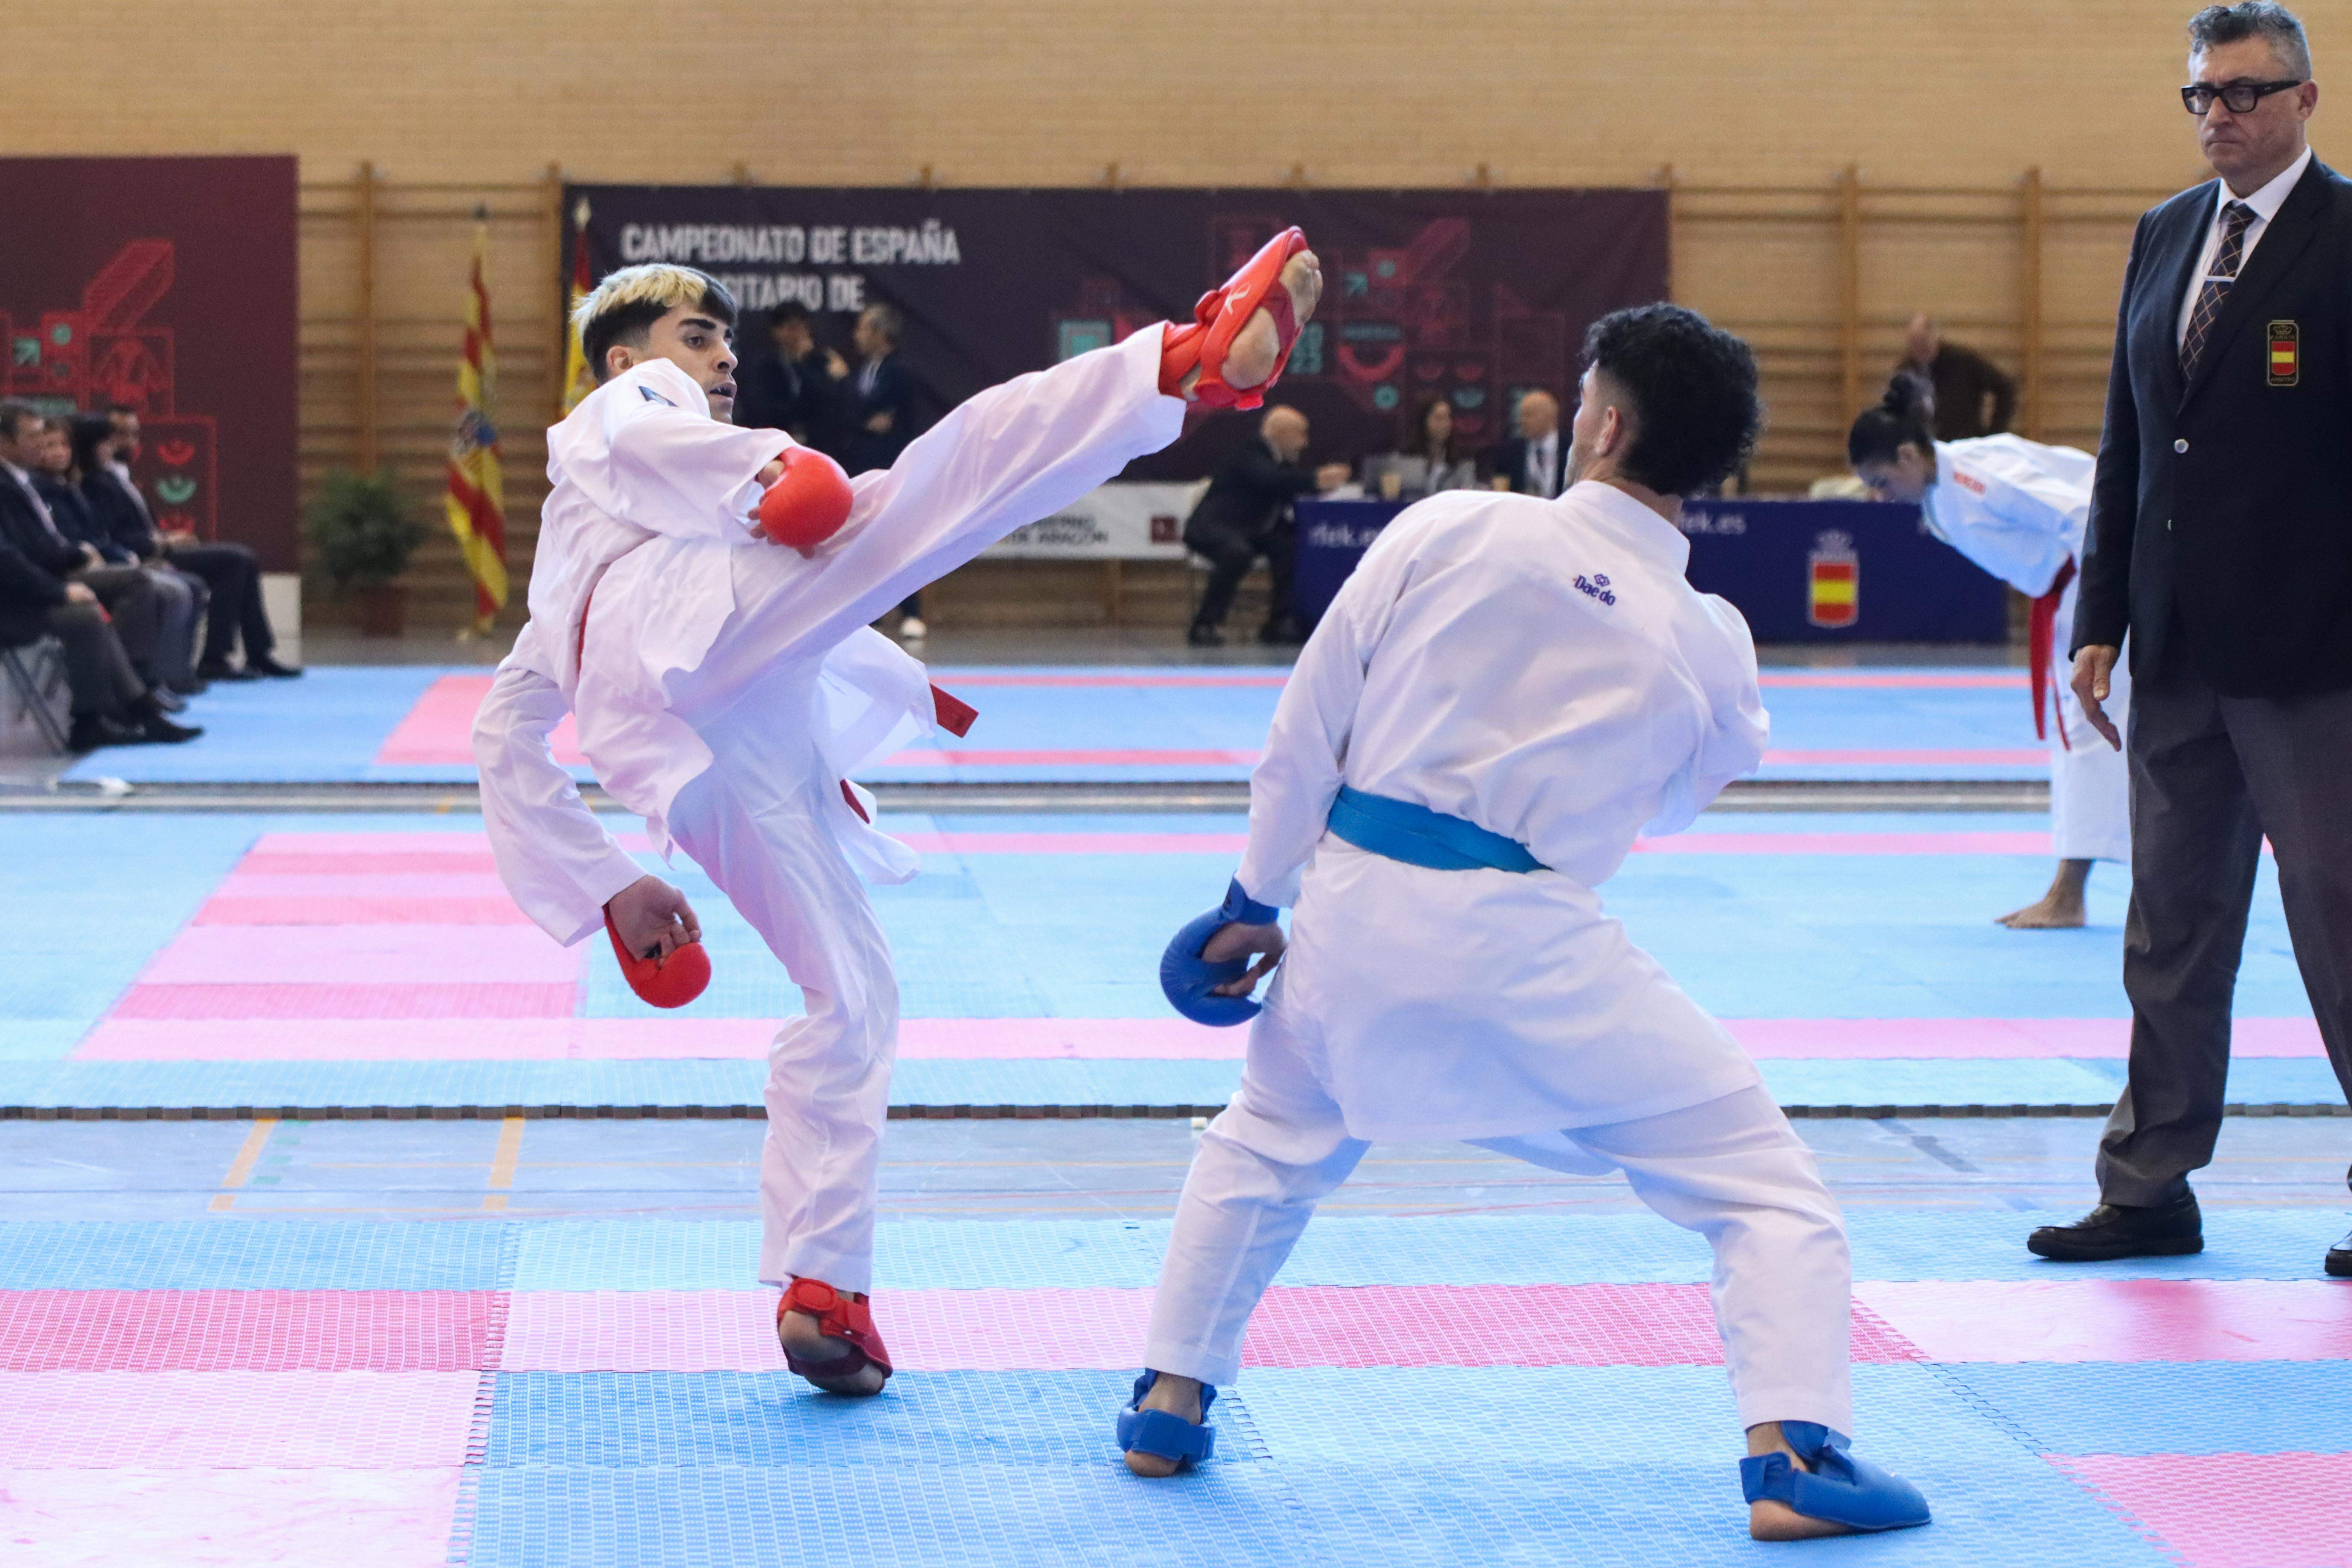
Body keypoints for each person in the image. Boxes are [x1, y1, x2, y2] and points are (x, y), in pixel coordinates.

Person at [1119, 305, 1929, 1542]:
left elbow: (1303, 736)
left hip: (1345, 912)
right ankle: (1793, 1453)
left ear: (1600, 427)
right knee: (1762, 1184)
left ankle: (1168, 1403)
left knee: (1266, 1139)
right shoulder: (1708, 641)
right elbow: (1673, 804)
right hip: (1531, 938)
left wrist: (1250, 903)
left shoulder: (1448, 526)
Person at [475, 237, 1323, 1395]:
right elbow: (639, 428)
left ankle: (823, 1287)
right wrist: (766, 469)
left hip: (711, 763)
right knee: (925, 494)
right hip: (690, 645)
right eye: (696, 337)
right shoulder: (625, 409)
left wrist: (612, 887)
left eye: (724, 344)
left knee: (853, 993)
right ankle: (1182, 362)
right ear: (625, 358)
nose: (720, 360)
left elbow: (503, 734)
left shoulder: (569, 574)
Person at [2037, 1, 2352, 1280]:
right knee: (2169, 924)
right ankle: (2148, 1182)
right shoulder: (2167, 232)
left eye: (2242, 91)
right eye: (2200, 94)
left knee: (2338, 917)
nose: (2217, 114)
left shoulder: (2345, 235)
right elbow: (2128, 440)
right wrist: (2101, 616)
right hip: (2172, 647)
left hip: (2316, 654)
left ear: (2303, 99)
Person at [1848, 377, 2126, 928]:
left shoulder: (1975, 476)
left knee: (2087, 731)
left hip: (2100, 578)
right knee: (2093, 730)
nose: (1880, 496)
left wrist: (2102, 607)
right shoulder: (1940, 494)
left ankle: (2069, 895)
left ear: (1908, 455)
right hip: (2077, 585)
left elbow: (2084, 511)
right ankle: (2104, 887)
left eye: (1881, 481)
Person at [0, 406, 196, 750]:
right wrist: (61, 590)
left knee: (133, 584)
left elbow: (43, 546)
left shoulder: (21, 481)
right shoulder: (8, 486)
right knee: (87, 614)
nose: (41, 446)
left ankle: (129, 702)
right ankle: (105, 715)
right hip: (17, 600)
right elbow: (10, 560)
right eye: (33, 437)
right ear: (4, 442)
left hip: (42, 581)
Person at [96, 405, 296, 680]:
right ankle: (215, 658)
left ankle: (258, 653)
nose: (130, 441)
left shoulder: (121, 475)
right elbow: (112, 535)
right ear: (102, 438)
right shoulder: (97, 480)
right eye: (121, 434)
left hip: (156, 548)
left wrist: (165, 536)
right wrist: (162, 542)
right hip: (141, 555)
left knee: (244, 559)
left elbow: (136, 527)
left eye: (135, 433)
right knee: (234, 561)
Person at [40, 417, 205, 701]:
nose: (60, 452)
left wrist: (124, 556)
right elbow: (64, 542)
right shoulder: (43, 489)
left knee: (177, 585)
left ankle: (163, 677)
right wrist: (103, 556)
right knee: (154, 586)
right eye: (50, 445)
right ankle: (133, 684)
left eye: (64, 445)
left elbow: (100, 537)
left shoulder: (69, 487)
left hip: (102, 560)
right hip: (67, 571)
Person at [1181, 406, 1350, 647]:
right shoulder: (1250, 453)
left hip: (1251, 532)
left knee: (1289, 545)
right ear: (1280, 433)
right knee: (1237, 553)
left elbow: (1288, 486)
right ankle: (1205, 624)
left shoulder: (1282, 463)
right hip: (1213, 529)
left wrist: (1320, 486)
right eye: (1300, 435)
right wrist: (1316, 479)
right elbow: (1271, 480)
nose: (1305, 443)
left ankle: (1279, 622)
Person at [833, 303, 928, 640]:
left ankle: (911, 612)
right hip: (860, 464)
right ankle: (867, 613)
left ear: (879, 333)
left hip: (890, 466)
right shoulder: (860, 373)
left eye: (863, 329)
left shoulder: (900, 372)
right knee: (862, 540)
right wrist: (862, 417)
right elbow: (852, 412)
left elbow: (889, 413)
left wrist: (857, 403)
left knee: (897, 539)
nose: (857, 335)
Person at [1892, 314, 2018, 440]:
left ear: (1935, 337)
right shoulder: (1904, 372)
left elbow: (2005, 388)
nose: (1920, 349)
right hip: (1924, 447)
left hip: (1964, 444)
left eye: (1924, 342)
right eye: (1915, 344)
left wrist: (1993, 435)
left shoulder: (1963, 362)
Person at [734, 302, 840, 449]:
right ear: (777, 331)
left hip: (817, 442)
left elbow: (827, 402)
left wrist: (801, 364)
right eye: (793, 328)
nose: (799, 335)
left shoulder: (820, 362)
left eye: (804, 328)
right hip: (776, 439)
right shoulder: (765, 366)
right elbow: (761, 407)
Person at [1361, 395, 1477, 499]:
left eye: (1448, 418)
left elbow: (1467, 493)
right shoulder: (1404, 458)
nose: (1445, 424)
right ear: (1425, 421)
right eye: (1439, 418)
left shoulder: (1462, 461)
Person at [1488, 387, 1565, 497]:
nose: (1523, 421)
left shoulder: (1572, 449)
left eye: (1529, 415)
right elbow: (1500, 492)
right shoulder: (1509, 452)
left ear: (1550, 416)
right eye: (1522, 416)